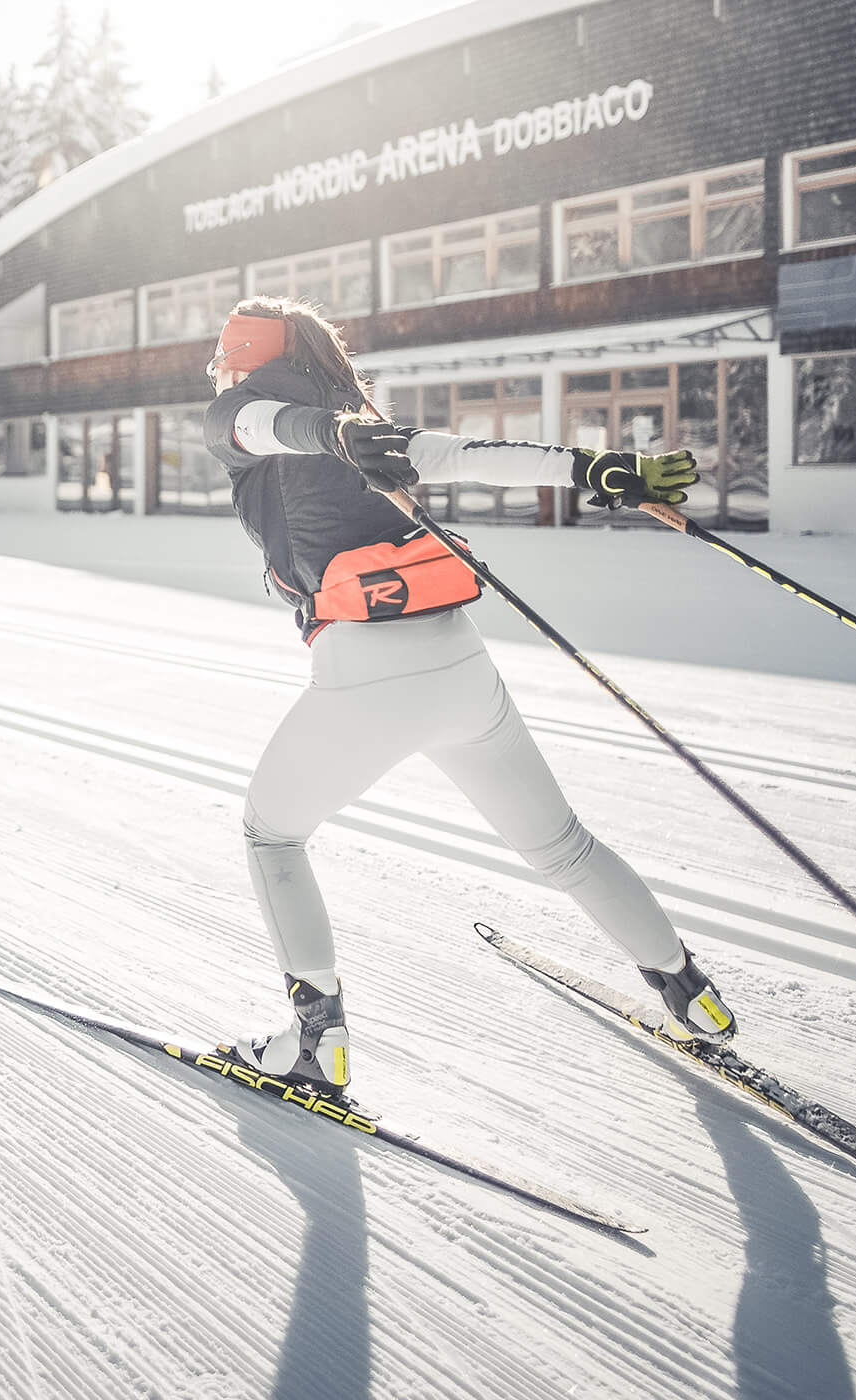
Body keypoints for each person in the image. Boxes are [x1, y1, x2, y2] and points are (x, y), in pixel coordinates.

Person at [202, 297, 735, 1096]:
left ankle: (316, 1041)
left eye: (224, 364)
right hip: (461, 666)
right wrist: (590, 468)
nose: (220, 379)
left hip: (364, 676)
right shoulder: (357, 425)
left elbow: (257, 428)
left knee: (272, 836)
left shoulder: (247, 416)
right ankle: (693, 998)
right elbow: (473, 453)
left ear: (242, 362)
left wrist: (335, 433)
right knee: (563, 847)